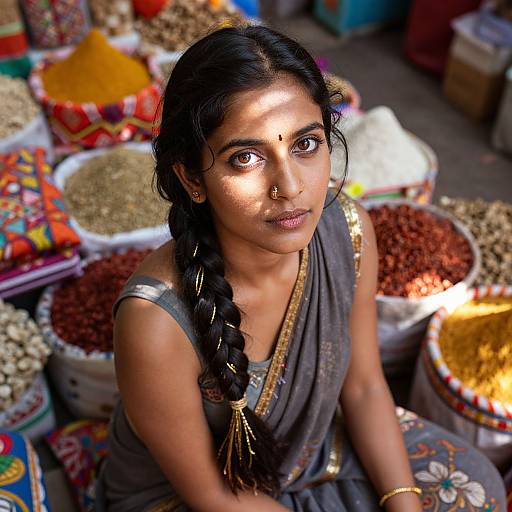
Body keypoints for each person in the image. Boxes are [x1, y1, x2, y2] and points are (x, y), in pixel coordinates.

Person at [97, 25, 506, 512]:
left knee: (474, 484)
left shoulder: (348, 233)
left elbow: (364, 386)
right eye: (246, 157)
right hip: (192, 498)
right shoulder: (155, 323)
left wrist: (404, 504)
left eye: (305, 144)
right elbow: (211, 496)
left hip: (307, 455)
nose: (289, 186)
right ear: (191, 177)